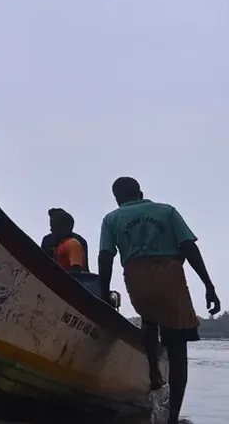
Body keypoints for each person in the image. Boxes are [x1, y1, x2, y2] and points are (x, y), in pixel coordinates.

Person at [98, 176, 221, 424]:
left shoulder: (111, 219)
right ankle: (173, 417)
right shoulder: (166, 211)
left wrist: (103, 293)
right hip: (169, 275)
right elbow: (188, 247)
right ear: (140, 193)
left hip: (136, 275)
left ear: (117, 198)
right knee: (177, 352)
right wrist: (209, 285)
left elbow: (105, 256)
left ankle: (153, 364)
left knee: (149, 317)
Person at [42, 208, 89, 273]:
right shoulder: (47, 240)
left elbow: (78, 270)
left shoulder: (74, 242)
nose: (51, 229)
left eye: (53, 223)